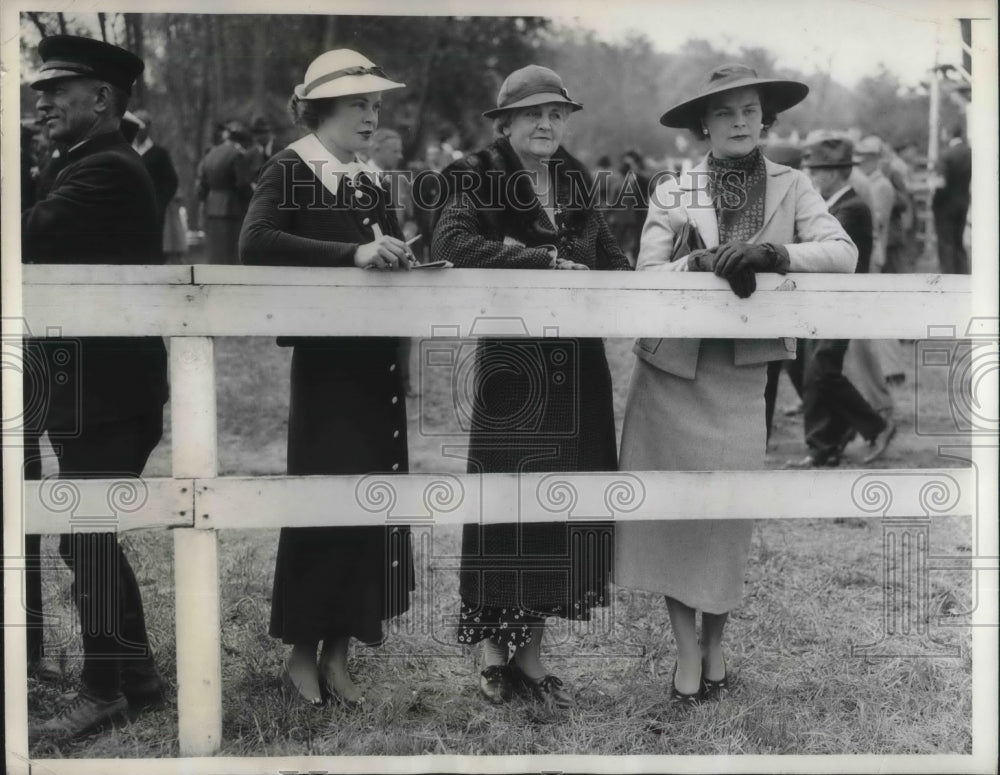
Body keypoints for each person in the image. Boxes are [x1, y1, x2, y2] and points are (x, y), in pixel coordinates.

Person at [616, 64, 857, 706]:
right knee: (675, 512)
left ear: (766, 119)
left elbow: (842, 252)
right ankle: (687, 650)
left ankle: (717, 644)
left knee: (725, 514)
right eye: (725, 112)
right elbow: (647, 272)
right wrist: (696, 263)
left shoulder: (794, 183)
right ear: (704, 124)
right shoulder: (674, 189)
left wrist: (773, 255)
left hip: (744, 370)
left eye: (750, 110)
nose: (741, 121)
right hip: (672, 370)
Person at [432, 64, 630, 708]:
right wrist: (540, 258)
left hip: (576, 367)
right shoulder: (476, 173)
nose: (547, 125)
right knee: (506, 503)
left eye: (557, 114)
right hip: (514, 367)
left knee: (563, 506)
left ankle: (534, 652)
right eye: (533, 115)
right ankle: (491, 652)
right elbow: (454, 243)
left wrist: (666, 268)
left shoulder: (574, 177)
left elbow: (606, 259)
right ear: (506, 122)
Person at [239, 49, 416, 708]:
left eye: (375, 104)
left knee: (368, 507)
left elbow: (383, 248)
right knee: (322, 509)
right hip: (327, 370)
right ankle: (300, 655)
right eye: (358, 105)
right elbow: (254, 244)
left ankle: (341, 655)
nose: (372, 115)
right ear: (320, 111)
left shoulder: (368, 178)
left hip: (376, 368)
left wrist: (400, 254)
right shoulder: (289, 167)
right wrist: (354, 253)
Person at [22, 34, 169, 741]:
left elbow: (27, 234)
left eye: (56, 91)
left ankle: (105, 687)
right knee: (90, 538)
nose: (39, 101)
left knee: (87, 537)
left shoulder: (107, 170)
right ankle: (135, 675)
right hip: (93, 388)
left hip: (110, 392)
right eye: (37, 91)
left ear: (103, 98)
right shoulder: (79, 161)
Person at [788, 136, 896, 468]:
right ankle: (825, 445)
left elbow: (826, 257)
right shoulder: (834, 206)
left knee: (821, 371)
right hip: (823, 302)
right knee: (806, 368)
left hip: (841, 303)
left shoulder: (850, 209)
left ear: (834, 173)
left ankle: (876, 425)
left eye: (817, 171)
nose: (812, 177)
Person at [197, 119, 254, 264]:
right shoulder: (237, 155)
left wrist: (204, 201)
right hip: (232, 208)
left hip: (212, 208)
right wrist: (253, 196)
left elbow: (202, 184)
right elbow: (242, 184)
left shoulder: (210, 153)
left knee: (215, 254)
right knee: (231, 255)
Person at [131, 109, 179, 257]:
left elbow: (171, 182)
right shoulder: (126, 151)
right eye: (135, 126)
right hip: (130, 210)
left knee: (152, 250)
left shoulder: (159, 154)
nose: (138, 130)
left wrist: (160, 204)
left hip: (153, 211)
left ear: (149, 127)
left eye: (142, 126)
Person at [931, 123, 971, 274]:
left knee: (946, 244)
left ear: (948, 134)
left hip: (945, 206)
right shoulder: (970, 153)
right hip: (963, 203)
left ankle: (948, 281)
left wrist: (936, 202)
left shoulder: (946, 155)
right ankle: (963, 277)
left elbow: (940, 183)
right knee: (958, 243)